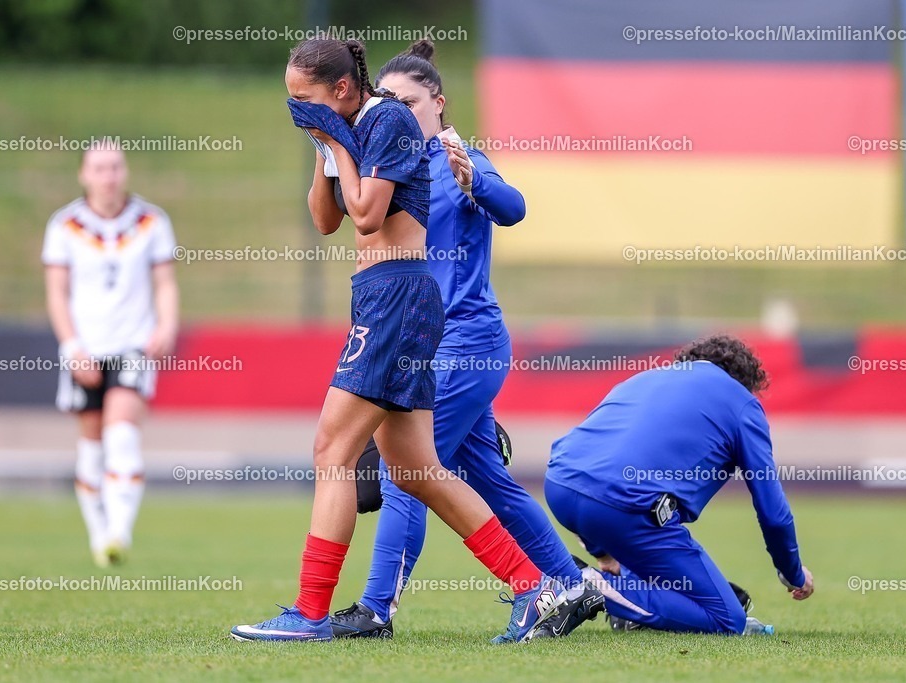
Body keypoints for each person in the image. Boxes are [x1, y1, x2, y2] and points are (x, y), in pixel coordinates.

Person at [230, 38, 565, 645]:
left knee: (332, 451)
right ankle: (534, 588)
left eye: (302, 99)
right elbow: (326, 219)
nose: (295, 108)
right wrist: (322, 149)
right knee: (416, 470)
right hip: (386, 298)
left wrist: (335, 139)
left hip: (396, 301)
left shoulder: (385, 119)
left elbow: (365, 214)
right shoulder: (357, 127)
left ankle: (310, 614)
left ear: (339, 89)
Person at [328, 40, 601, 641]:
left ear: (439, 103)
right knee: (485, 477)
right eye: (389, 101)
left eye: (410, 101)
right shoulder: (391, 166)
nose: (398, 109)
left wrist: (475, 178)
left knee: (407, 472)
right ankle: (569, 583)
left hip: (467, 343)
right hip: (419, 346)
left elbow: (515, 207)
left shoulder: (458, 157)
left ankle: (377, 609)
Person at [542, 334, 815, 635]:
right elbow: (773, 512)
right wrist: (792, 572)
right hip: (624, 507)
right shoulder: (742, 402)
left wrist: (603, 554)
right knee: (728, 619)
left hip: (559, 485)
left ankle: (612, 589)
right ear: (746, 383)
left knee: (670, 582)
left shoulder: (645, 377)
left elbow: (597, 461)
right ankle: (583, 584)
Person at [42, 142, 179, 567]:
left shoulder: (151, 221)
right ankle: (98, 535)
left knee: (122, 432)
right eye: (100, 168)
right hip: (86, 349)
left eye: (116, 166)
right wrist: (71, 347)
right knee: (92, 442)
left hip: (132, 346)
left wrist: (166, 326)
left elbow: (165, 283)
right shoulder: (64, 225)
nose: (109, 175)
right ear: (84, 173)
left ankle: (119, 531)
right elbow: (57, 293)